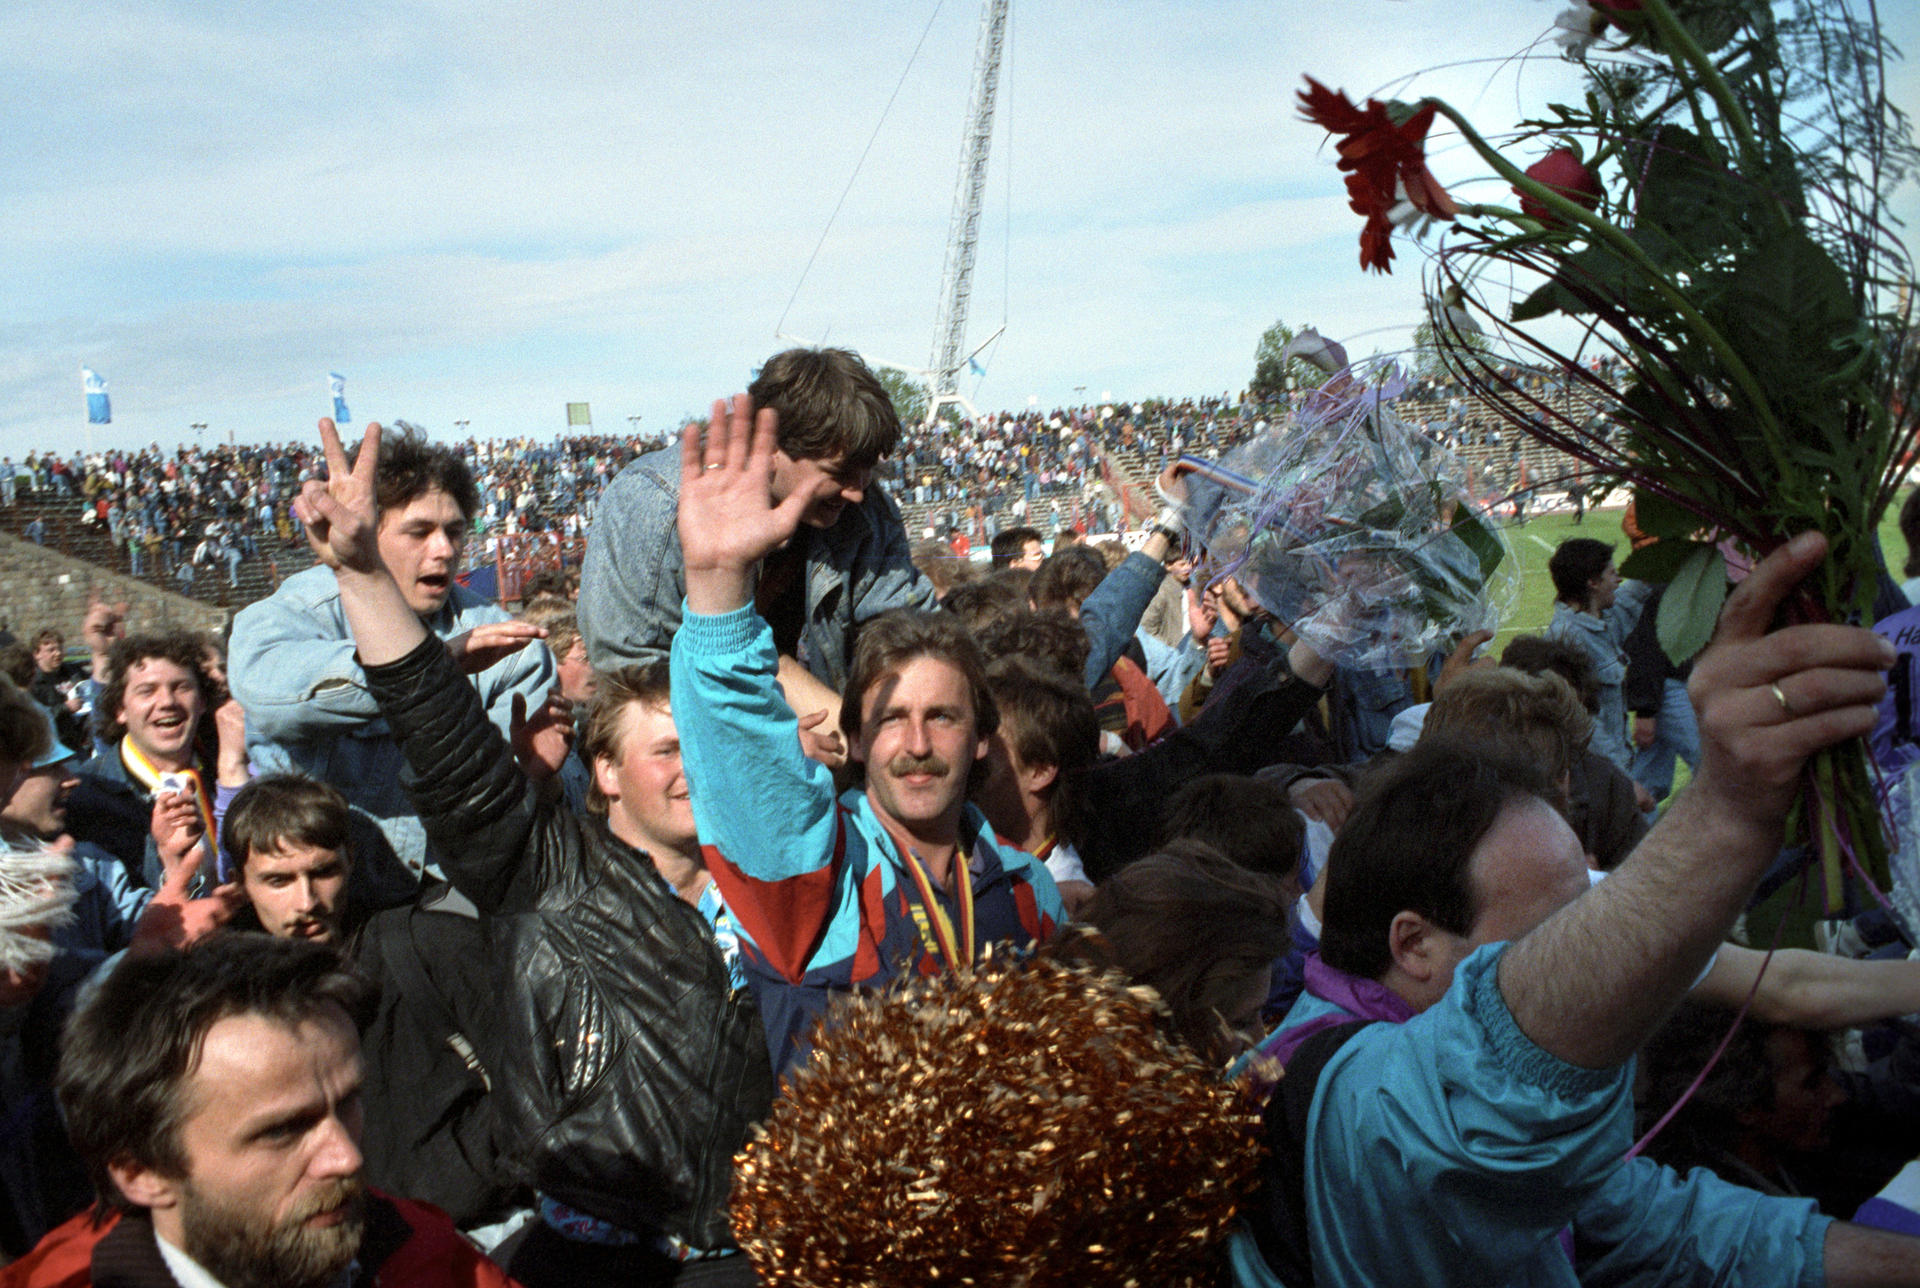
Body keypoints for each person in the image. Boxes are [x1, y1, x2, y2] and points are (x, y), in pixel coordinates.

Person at [1234, 532, 1920, 1287]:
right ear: (1414, 945)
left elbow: (1654, 1226)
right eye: (1551, 935)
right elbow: (1494, 1090)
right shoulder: (1338, 1100)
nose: (1590, 940)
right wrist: (1727, 815)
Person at [294, 418, 770, 1282]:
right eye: (667, 749)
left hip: (760, 1254)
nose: (692, 768)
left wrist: (721, 578)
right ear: (607, 772)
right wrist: (363, 573)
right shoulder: (556, 880)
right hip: (602, 1264)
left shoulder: (787, 888)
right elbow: (448, 744)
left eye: (702, 746)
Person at [668, 395, 1065, 1073]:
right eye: (888, 720)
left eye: (941, 717)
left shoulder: (1031, 889)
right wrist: (717, 584)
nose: (915, 745)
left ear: (979, 739)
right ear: (854, 740)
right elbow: (742, 745)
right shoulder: (815, 873)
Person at [3, 934, 517, 1288]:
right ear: (141, 1171)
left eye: (349, 1102)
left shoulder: (424, 1254)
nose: (345, 1157)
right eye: (281, 1131)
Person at [228, 422, 553, 906]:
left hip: (453, 907)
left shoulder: (506, 642)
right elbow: (270, 694)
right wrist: (429, 667)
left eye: (454, 531)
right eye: (419, 531)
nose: (443, 550)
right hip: (318, 907)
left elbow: (498, 802)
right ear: (369, 533)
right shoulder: (299, 611)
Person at [578, 348, 939, 727]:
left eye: (868, 470)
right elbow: (633, 686)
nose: (857, 491)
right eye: (839, 471)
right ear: (769, 449)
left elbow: (911, 639)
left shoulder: (865, 512)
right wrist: (769, 739)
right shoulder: (655, 504)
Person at [1542, 536, 1648, 774]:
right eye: (1612, 573)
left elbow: (1641, 587)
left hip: (1617, 768)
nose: (1619, 579)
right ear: (1593, 582)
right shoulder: (1567, 639)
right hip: (1602, 775)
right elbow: (1584, 721)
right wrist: (1621, 776)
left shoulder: (1603, 617)